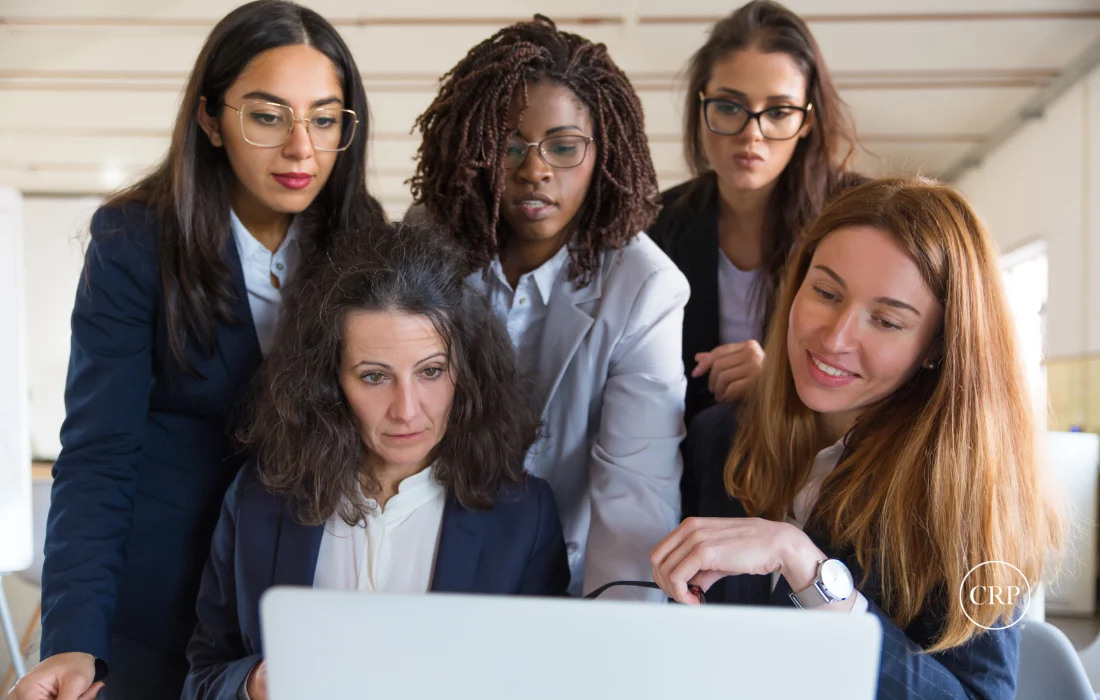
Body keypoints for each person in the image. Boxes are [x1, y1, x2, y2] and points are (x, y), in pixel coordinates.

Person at [12, 3, 384, 699]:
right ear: (211, 119)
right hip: (157, 605)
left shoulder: (364, 242)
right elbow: (98, 456)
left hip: (297, 601)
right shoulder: (134, 243)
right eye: (268, 116)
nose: (301, 149)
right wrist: (72, 640)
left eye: (325, 119)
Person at [650, 178, 1064, 699]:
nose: (835, 337)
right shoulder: (720, 436)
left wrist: (812, 574)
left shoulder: (973, 492)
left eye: (886, 321)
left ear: (937, 347)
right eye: (825, 293)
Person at [182, 223, 569, 700]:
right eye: (374, 377)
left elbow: (546, 682)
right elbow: (202, 678)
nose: (406, 410)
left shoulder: (524, 517)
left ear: (464, 373)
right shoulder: (258, 498)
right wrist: (256, 685)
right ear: (330, 382)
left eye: (431, 371)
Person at [409, 15, 687, 599]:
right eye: (509, 146)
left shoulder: (646, 288)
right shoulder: (426, 241)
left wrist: (619, 634)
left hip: (571, 580)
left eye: (563, 147)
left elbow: (637, 495)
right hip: (428, 563)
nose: (534, 170)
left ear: (604, 153)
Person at [648, 0, 862, 438]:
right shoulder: (657, 225)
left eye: (778, 112)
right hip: (692, 457)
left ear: (808, 121)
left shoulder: (860, 217)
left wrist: (778, 382)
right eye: (729, 106)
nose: (751, 134)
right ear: (701, 107)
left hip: (825, 452)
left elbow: (888, 370)